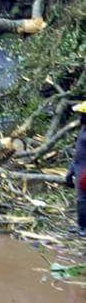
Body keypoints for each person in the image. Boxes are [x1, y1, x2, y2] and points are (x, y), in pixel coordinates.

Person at [65, 101, 86, 237]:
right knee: (81, 199)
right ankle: (81, 226)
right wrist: (71, 171)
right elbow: (78, 153)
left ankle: (84, 228)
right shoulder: (83, 128)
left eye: (82, 114)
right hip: (79, 167)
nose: (80, 116)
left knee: (83, 199)